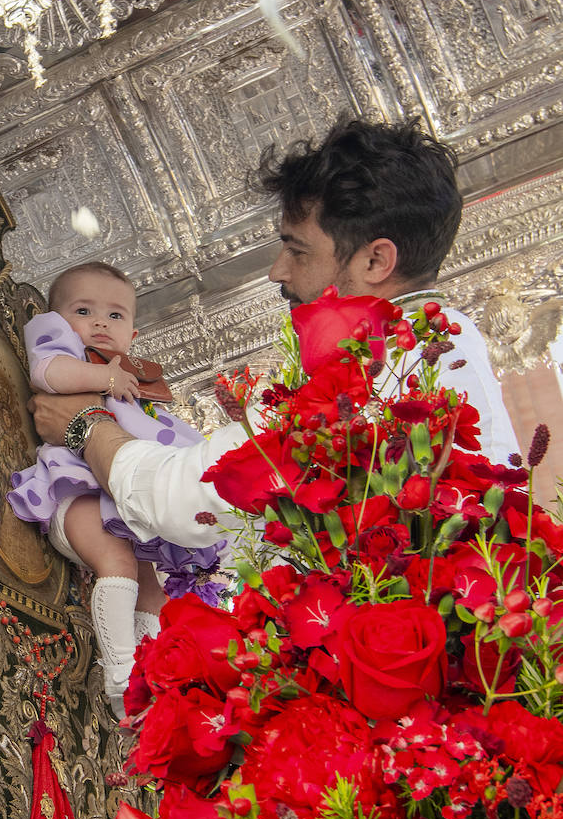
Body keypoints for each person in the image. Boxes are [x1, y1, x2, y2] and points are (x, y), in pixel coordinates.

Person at [27, 119, 520, 555]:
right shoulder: (435, 344)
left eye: (297, 250)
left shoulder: (381, 365)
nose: (277, 272)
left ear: (375, 261)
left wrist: (86, 425)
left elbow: (186, 498)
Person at [6, 261, 222, 709]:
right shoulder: (68, 349)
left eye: (116, 315)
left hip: (122, 500)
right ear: (56, 318)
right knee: (117, 559)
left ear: (133, 335)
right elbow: (48, 372)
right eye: (83, 311)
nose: (101, 323)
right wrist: (105, 379)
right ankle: (121, 673)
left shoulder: (131, 380)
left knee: (152, 584)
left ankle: (160, 673)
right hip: (77, 490)